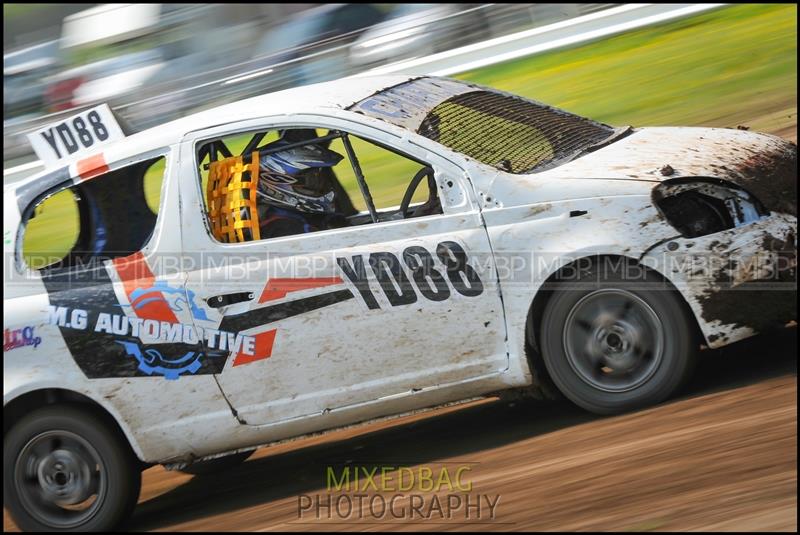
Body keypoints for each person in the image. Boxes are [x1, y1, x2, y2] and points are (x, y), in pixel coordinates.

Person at [255, 137, 346, 239]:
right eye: (312, 180)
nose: (320, 185)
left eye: (319, 178)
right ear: (275, 181)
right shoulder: (287, 231)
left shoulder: (302, 215)